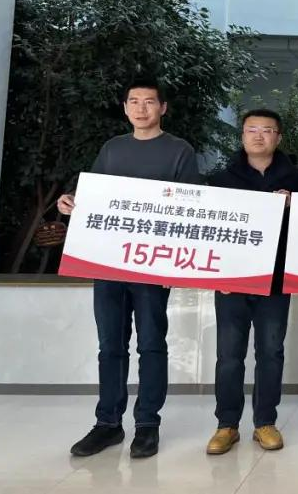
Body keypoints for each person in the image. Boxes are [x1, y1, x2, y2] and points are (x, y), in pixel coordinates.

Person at [56, 78, 202, 459]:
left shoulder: (179, 151)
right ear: (124, 108)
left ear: (163, 108)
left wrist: (173, 263)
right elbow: (91, 196)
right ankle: (107, 423)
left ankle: (147, 424)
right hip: (107, 264)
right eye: (134, 101)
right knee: (110, 346)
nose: (141, 108)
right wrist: (70, 201)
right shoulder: (112, 149)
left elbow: (192, 207)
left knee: (151, 344)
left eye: (149, 102)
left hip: (153, 266)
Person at [204, 109, 298, 456]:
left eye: (267, 130)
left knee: (271, 352)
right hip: (232, 281)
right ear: (242, 136)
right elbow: (209, 230)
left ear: (278, 138)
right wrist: (216, 272)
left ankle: (265, 421)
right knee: (229, 355)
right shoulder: (221, 179)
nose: (259, 136)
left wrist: (296, 205)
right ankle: (227, 425)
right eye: (252, 130)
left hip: (276, 281)